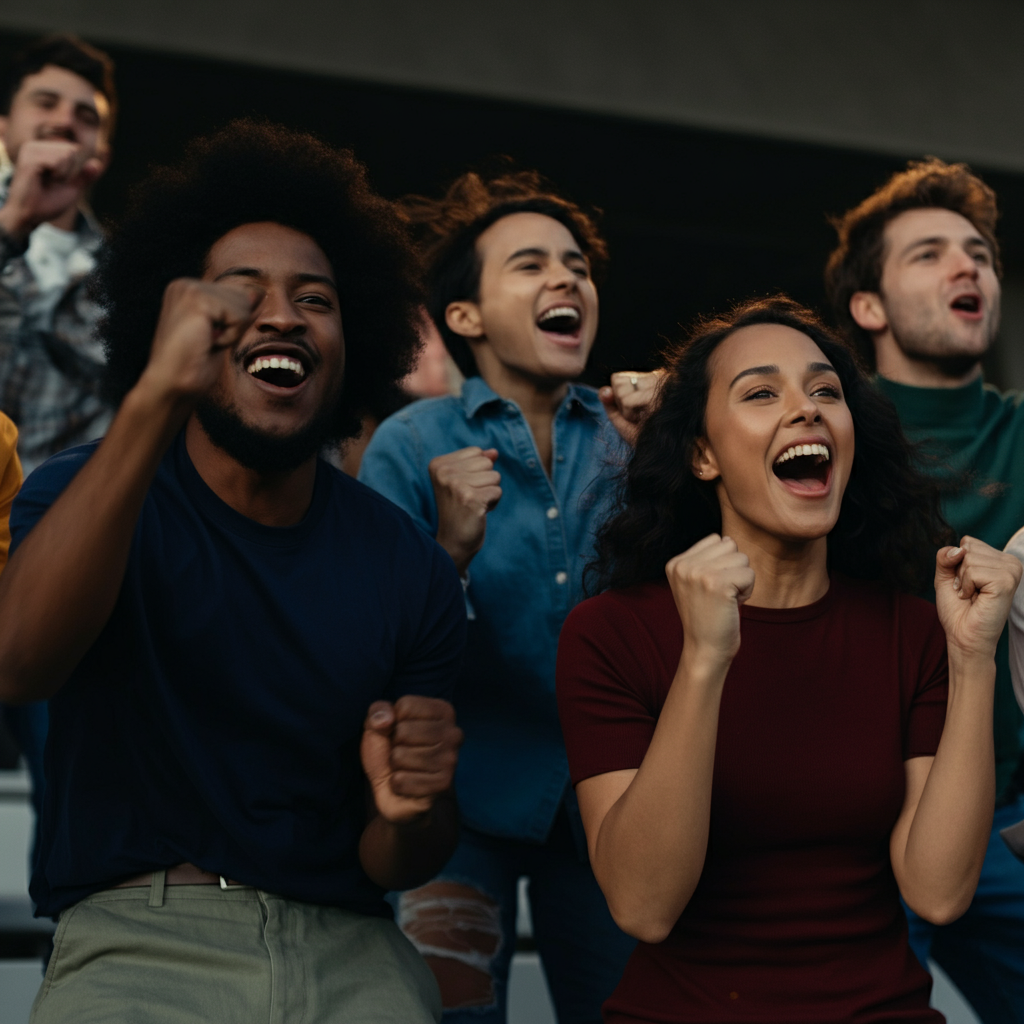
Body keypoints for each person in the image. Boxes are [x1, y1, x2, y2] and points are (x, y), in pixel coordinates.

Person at [0, 120, 466, 1024]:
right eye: (237, 295)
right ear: (176, 322)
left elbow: (401, 857)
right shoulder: (79, 492)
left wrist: (412, 810)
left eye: (316, 299)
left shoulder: (408, 562)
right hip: (138, 938)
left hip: (354, 946)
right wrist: (155, 397)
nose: (281, 314)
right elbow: (19, 665)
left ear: (353, 339)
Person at [556, 295, 1021, 1023]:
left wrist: (972, 659)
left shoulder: (911, 630)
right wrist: (705, 660)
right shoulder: (611, 633)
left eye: (826, 391)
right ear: (702, 453)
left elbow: (938, 892)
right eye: (762, 392)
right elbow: (643, 904)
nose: (806, 409)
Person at [358, 170, 655, 1022]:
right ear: (466, 317)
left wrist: (681, 450)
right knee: (448, 1012)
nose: (565, 280)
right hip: (460, 800)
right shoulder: (411, 442)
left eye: (577, 266)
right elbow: (374, 646)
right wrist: (447, 549)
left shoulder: (633, 437)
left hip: (607, 793)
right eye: (530, 266)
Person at [825, 158, 1024, 1022]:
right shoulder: (820, 431)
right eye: (930, 253)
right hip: (864, 825)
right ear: (868, 307)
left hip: (1016, 817)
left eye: (979, 253)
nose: (966, 266)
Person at [0, 32, 117, 833]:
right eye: (46, 103)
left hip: (59, 565)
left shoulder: (128, 274)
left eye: (87, 115)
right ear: (5, 125)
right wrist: (13, 219)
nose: (66, 123)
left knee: (70, 799)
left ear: (102, 148)